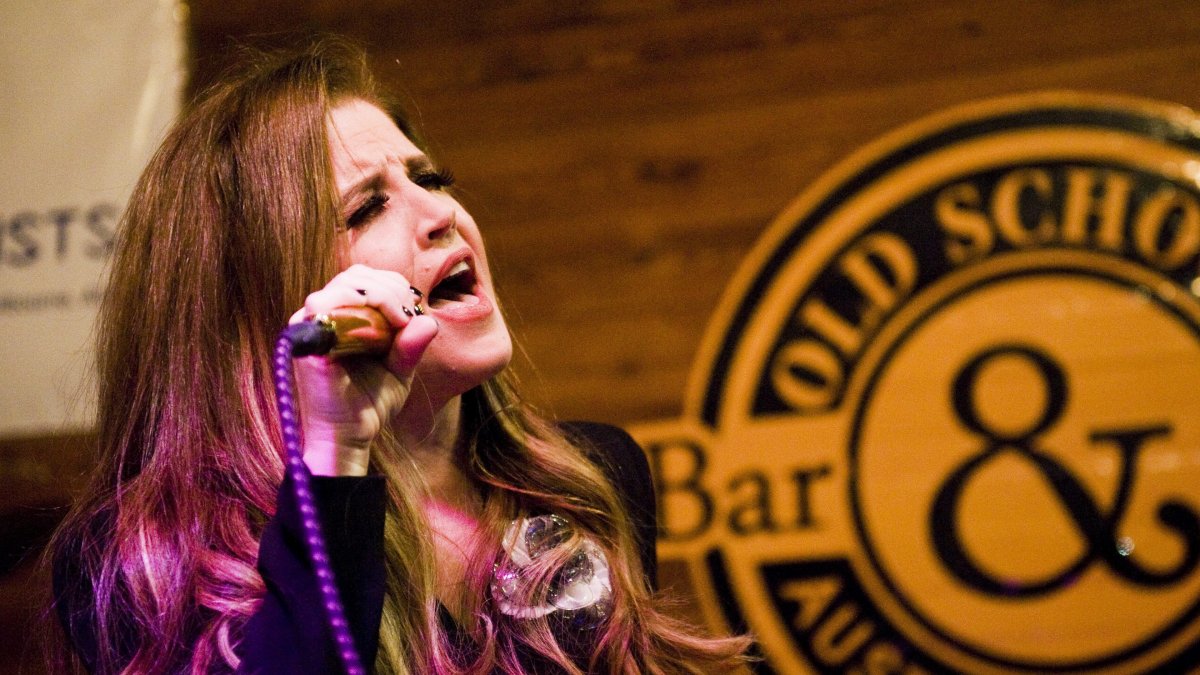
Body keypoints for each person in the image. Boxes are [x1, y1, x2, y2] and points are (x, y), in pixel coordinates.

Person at [46, 37, 749, 674]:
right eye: (366, 208)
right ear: (265, 301)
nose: (443, 213)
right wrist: (333, 452)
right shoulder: (141, 563)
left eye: (431, 179)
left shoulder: (593, 477)